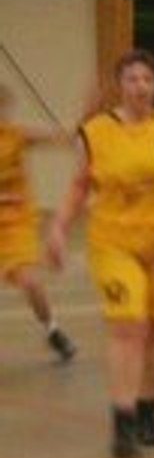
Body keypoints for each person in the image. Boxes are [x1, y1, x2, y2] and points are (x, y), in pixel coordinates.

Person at [46, 48, 154, 458]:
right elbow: (79, 187)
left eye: (148, 80)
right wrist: (58, 228)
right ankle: (121, 421)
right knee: (128, 326)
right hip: (116, 243)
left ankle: (146, 411)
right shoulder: (96, 131)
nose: (140, 86)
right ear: (119, 86)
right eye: (132, 79)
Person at [0, 84, 78, 362]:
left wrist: (81, 128)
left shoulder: (16, 135)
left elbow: (63, 136)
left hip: (14, 225)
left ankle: (52, 329)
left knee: (31, 283)